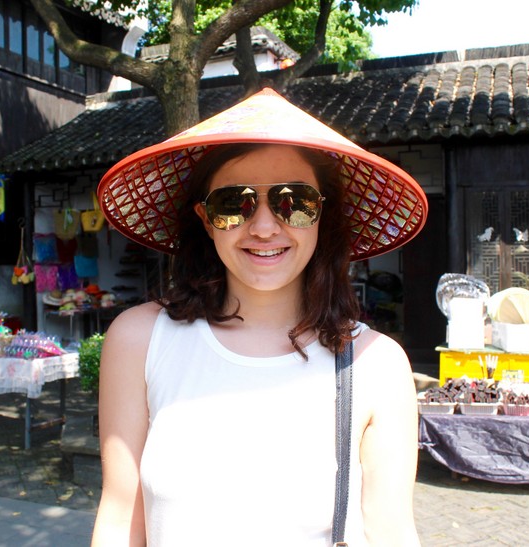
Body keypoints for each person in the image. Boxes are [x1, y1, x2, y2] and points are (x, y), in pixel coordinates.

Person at [90, 88, 428, 546]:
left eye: (295, 201)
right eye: (234, 204)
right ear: (206, 219)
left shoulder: (375, 365)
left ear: (321, 217)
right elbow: (119, 521)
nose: (265, 226)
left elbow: (392, 534)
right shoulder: (140, 341)